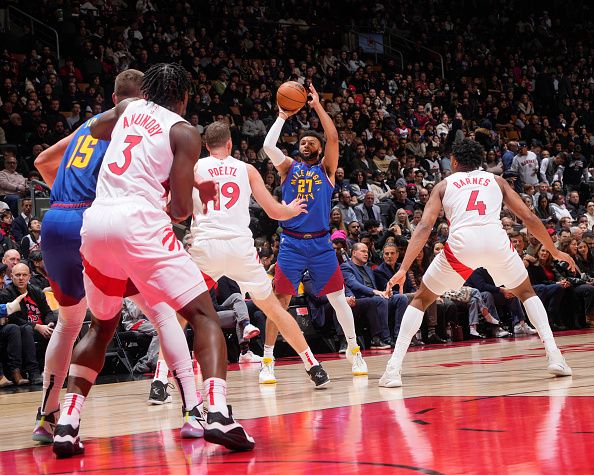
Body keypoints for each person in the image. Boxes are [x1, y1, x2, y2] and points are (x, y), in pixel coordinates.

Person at [379, 139, 573, 388]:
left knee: (421, 299)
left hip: (463, 246)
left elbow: (425, 226)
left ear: (455, 162)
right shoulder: (497, 181)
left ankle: (393, 370)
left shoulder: (443, 185)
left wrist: (404, 268)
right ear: (479, 162)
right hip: (495, 242)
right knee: (526, 292)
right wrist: (553, 250)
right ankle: (555, 356)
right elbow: (528, 216)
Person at [190, 120, 338, 387]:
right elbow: (273, 211)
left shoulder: (194, 168)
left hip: (206, 246)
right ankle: (312, 365)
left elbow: (175, 208)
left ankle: (160, 380)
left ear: (205, 145)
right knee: (275, 309)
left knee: (179, 312)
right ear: (230, 144)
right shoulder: (245, 169)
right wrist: (291, 209)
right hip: (240, 248)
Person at [262, 84, 367, 383]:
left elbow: (333, 136)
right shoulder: (288, 169)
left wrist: (318, 105)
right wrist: (282, 116)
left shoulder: (327, 170)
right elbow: (269, 147)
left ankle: (353, 349)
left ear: (319, 149)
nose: (305, 144)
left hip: (321, 243)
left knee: (337, 297)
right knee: (279, 300)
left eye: (311, 142)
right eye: (303, 142)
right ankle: (267, 358)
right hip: (291, 244)